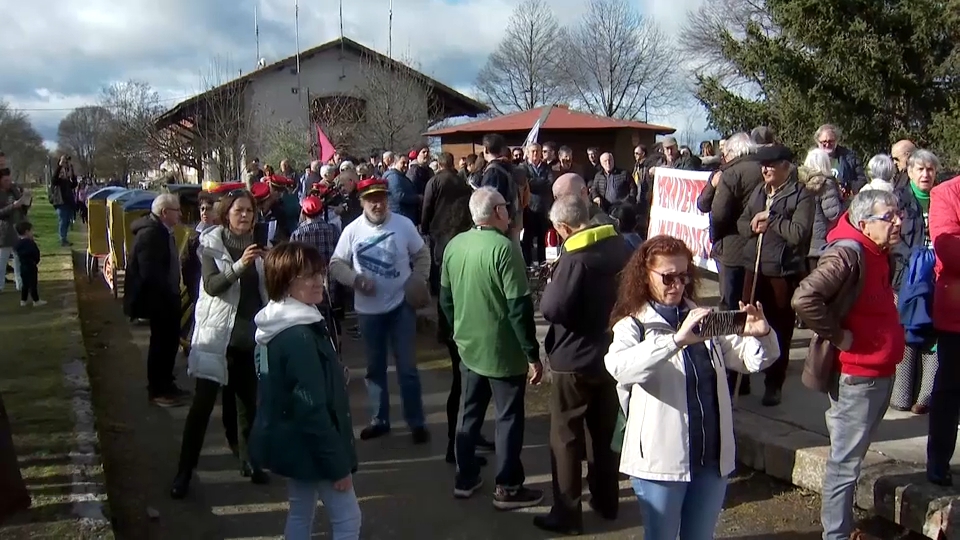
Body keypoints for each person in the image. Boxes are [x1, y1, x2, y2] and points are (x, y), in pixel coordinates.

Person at [605, 235, 779, 540]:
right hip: (661, 462)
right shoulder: (633, 324)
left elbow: (752, 361)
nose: (677, 285)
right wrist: (675, 341)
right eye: (668, 278)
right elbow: (621, 368)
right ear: (646, 277)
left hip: (711, 456)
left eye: (683, 277)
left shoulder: (703, 318)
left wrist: (761, 334)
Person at [792, 189, 905, 540]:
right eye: (889, 217)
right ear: (864, 222)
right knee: (844, 464)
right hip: (858, 375)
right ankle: (836, 535)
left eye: (898, 214)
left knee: (851, 460)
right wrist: (840, 337)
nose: (898, 222)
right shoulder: (847, 253)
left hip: (880, 371)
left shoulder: (880, 251)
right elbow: (804, 298)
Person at [440, 186, 544, 510]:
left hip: (468, 347)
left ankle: (465, 476)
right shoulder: (505, 248)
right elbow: (519, 307)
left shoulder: (455, 245)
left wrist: (457, 331)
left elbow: (445, 298)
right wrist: (532, 354)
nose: (510, 211)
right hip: (503, 351)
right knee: (508, 418)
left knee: (468, 413)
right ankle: (508, 487)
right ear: (497, 212)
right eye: (505, 206)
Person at [533, 195, 631, 534]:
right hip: (611, 353)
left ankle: (566, 513)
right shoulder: (618, 246)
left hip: (573, 359)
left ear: (562, 227)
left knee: (566, 438)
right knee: (603, 434)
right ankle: (606, 501)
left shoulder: (575, 258)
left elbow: (552, 308)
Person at [250, 242, 361, 540]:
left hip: (294, 444)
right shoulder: (299, 335)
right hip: (314, 447)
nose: (318, 282)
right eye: (308, 276)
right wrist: (337, 466)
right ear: (285, 283)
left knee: (301, 509)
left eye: (319, 274)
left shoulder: (276, 322)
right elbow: (311, 408)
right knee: (348, 518)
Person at [171, 190, 269, 499]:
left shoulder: (260, 248)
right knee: (201, 409)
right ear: (226, 214)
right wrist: (241, 264)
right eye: (239, 210)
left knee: (246, 407)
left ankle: (248, 460)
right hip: (216, 338)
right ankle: (184, 472)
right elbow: (212, 286)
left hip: (247, 340)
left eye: (250, 212)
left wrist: (275, 264)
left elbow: (264, 293)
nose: (245, 216)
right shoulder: (210, 244)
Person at [329, 178, 431, 443]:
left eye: (382, 198)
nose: (378, 203)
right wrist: (355, 279)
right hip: (368, 311)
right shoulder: (352, 230)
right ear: (362, 201)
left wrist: (417, 279)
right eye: (372, 199)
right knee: (375, 369)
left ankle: (416, 422)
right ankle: (379, 419)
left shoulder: (403, 224)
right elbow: (336, 264)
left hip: (401, 306)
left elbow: (422, 254)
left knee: (407, 368)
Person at [737, 144, 814, 406]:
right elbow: (741, 222)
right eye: (762, 165)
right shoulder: (759, 190)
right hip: (753, 268)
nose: (765, 169)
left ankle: (774, 383)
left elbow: (799, 233)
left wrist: (772, 220)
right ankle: (742, 375)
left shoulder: (801, 195)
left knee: (779, 329)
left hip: (782, 271)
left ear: (785, 166)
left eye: (771, 164)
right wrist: (751, 225)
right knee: (745, 323)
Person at [123, 194, 189, 407]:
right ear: (164, 213)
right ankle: (158, 390)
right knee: (161, 345)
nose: (180, 214)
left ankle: (168, 384)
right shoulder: (151, 234)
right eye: (176, 210)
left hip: (168, 297)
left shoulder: (162, 230)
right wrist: (167, 294)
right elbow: (150, 272)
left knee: (169, 344)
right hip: (159, 301)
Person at [926, 172, 960, 487]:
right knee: (950, 389)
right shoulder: (947, 194)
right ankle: (938, 460)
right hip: (957, 313)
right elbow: (949, 250)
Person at [0, 169, 28, 293]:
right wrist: (13, 206)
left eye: (9, 180)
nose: (8, 182)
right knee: (2, 260)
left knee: (19, 258)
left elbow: (22, 208)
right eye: (5, 180)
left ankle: (20, 284)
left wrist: (26, 200)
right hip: (5, 230)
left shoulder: (14, 190)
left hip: (18, 228)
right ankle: (0, 285)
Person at [13, 222, 45, 307]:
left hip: (22, 266)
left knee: (25, 284)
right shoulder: (30, 243)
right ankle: (36, 300)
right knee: (33, 284)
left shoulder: (18, 244)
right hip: (31, 265)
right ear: (27, 232)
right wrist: (36, 260)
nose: (32, 233)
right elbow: (36, 253)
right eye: (31, 231)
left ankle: (23, 300)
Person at [50, 155, 77, 247]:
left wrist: (72, 171)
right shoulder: (58, 178)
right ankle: (62, 239)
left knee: (67, 221)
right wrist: (60, 166)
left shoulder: (67, 178)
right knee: (63, 220)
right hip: (60, 202)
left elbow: (74, 184)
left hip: (68, 202)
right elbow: (54, 179)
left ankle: (64, 238)